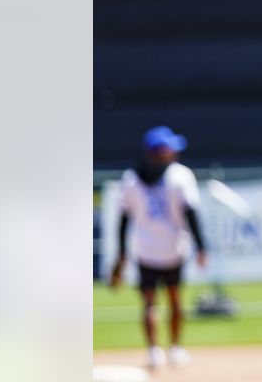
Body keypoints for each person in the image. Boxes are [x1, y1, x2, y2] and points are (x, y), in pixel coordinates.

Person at [108, 126, 209, 370]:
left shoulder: (131, 178)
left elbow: (123, 219)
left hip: (145, 249)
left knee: (150, 303)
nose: (174, 153)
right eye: (169, 149)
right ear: (158, 152)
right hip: (173, 248)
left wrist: (121, 253)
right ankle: (174, 349)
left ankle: (155, 351)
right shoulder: (181, 176)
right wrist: (202, 246)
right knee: (174, 300)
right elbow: (191, 213)